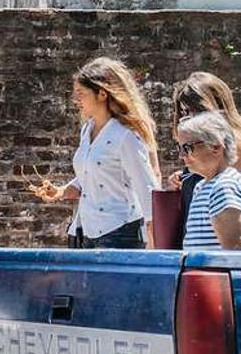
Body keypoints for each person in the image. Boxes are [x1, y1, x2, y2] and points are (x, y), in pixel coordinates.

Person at [29, 57, 161, 249]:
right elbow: (88, 177)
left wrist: (154, 243)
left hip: (120, 232)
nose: (76, 100)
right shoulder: (87, 129)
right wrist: (60, 191)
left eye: (81, 94)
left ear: (101, 94)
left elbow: (146, 187)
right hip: (85, 233)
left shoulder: (126, 135)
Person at [177, 111, 241, 251]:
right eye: (180, 148)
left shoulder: (223, 186)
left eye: (187, 148)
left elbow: (234, 249)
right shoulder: (202, 185)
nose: (182, 155)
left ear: (215, 147)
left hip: (216, 272)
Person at [168, 72, 240, 191]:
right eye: (184, 112)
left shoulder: (232, 143)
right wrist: (185, 176)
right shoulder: (200, 141)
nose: (190, 118)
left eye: (196, 111)